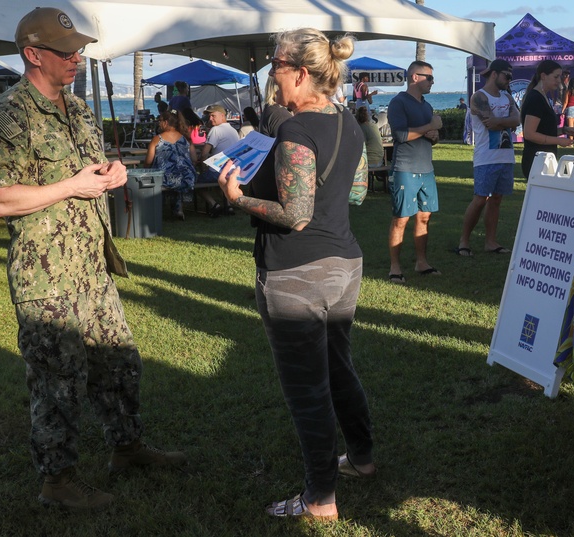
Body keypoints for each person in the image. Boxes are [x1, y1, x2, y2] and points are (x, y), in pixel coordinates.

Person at [0, 6, 185, 511]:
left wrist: (110, 173)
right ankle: (58, 482)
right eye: (66, 53)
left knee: (120, 364)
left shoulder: (79, 109)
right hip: (46, 276)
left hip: (91, 267)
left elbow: (87, 171)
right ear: (32, 54)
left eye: (79, 52)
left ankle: (127, 448)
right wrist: (71, 185)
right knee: (58, 382)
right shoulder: (8, 116)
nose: (76, 60)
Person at [216, 27, 371, 522]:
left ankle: (320, 499)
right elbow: (359, 190)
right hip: (345, 264)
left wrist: (239, 199)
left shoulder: (296, 131)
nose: (270, 75)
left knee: (308, 391)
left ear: (301, 73)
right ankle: (363, 458)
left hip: (298, 273)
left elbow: (295, 213)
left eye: (276, 66)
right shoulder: (345, 118)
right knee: (338, 367)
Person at [386, 60, 443, 283]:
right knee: (401, 219)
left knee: (424, 217)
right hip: (405, 169)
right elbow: (400, 135)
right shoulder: (398, 103)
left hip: (426, 169)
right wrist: (430, 128)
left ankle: (422, 263)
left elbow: (432, 137)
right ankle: (395, 267)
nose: (432, 82)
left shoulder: (426, 106)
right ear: (415, 77)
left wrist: (434, 136)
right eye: (429, 77)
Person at [457, 58, 520, 257]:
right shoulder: (479, 97)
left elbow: (517, 120)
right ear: (495, 74)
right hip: (486, 157)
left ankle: (490, 242)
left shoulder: (507, 98)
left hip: (506, 156)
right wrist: (506, 122)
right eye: (507, 75)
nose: (509, 80)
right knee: (480, 199)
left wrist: (501, 121)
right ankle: (464, 241)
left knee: (497, 199)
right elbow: (489, 123)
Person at [520, 59, 574, 179]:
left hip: (544, 159)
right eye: (556, 77)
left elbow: (544, 129)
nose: (559, 81)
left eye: (560, 77)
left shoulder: (543, 97)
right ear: (543, 76)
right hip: (536, 160)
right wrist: (558, 141)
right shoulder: (536, 98)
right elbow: (529, 134)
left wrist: (563, 130)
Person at [145, 108, 197, 220]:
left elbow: (148, 161)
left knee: (162, 176)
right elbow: (194, 158)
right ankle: (178, 209)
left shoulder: (157, 139)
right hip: (187, 177)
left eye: (160, 120)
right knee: (177, 178)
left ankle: (162, 208)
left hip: (166, 178)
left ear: (166, 122)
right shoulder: (186, 138)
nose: (159, 123)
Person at [198, 104, 240, 216]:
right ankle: (229, 206)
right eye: (209, 117)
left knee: (195, 183)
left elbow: (204, 154)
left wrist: (202, 168)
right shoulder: (233, 130)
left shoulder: (216, 130)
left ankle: (214, 204)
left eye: (213, 116)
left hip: (218, 170)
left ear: (222, 116)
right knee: (218, 185)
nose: (210, 119)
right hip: (232, 171)